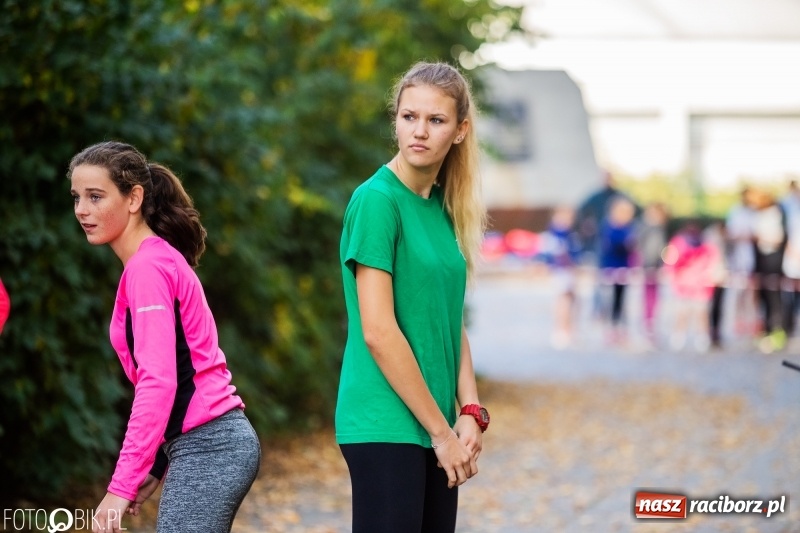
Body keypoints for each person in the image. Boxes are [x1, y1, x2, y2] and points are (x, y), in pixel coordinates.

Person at [68, 141, 261, 533]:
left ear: (134, 197)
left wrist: (119, 487)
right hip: (206, 444)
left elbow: (159, 381)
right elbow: (177, 369)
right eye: (77, 197)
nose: (82, 210)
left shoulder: (148, 268)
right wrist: (155, 463)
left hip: (211, 447)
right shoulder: (153, 261)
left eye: (95, 196)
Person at [336, 62, 489, 533]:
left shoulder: (444, 208)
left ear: (460, 131)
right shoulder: (377, 201)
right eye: (408, 117)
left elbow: (448, 320)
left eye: (436, 120)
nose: (419, 131)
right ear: (395, 120)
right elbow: (378, 331)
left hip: (436, 426)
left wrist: (470, 411)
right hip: (386, 422)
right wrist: (442, 433)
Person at [537, 206, 582, 349]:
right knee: (562, 301)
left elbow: (576, 253)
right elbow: (547, 254)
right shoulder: (553, 235)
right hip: (559, 272)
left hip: (569, 272)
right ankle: (560, 329)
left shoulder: (570, 234)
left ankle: (569, 329)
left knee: (572, 300)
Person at [597, 196, 637, 345]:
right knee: (610, 300)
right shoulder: (609, 226)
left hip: (624, 268)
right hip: (610, 269)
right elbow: (611, 246)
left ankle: (620, 329)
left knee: (621, 301)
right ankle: (610, 329)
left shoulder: (628, 227)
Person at [635, 202, 668, 344]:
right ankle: (647, 326)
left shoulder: (659, 229)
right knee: (647, 298)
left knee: (655, 298)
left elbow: (660, 249)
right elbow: (639, 247)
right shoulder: (644, 228)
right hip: (647, 266)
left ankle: (652, 325)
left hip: (655, 267)